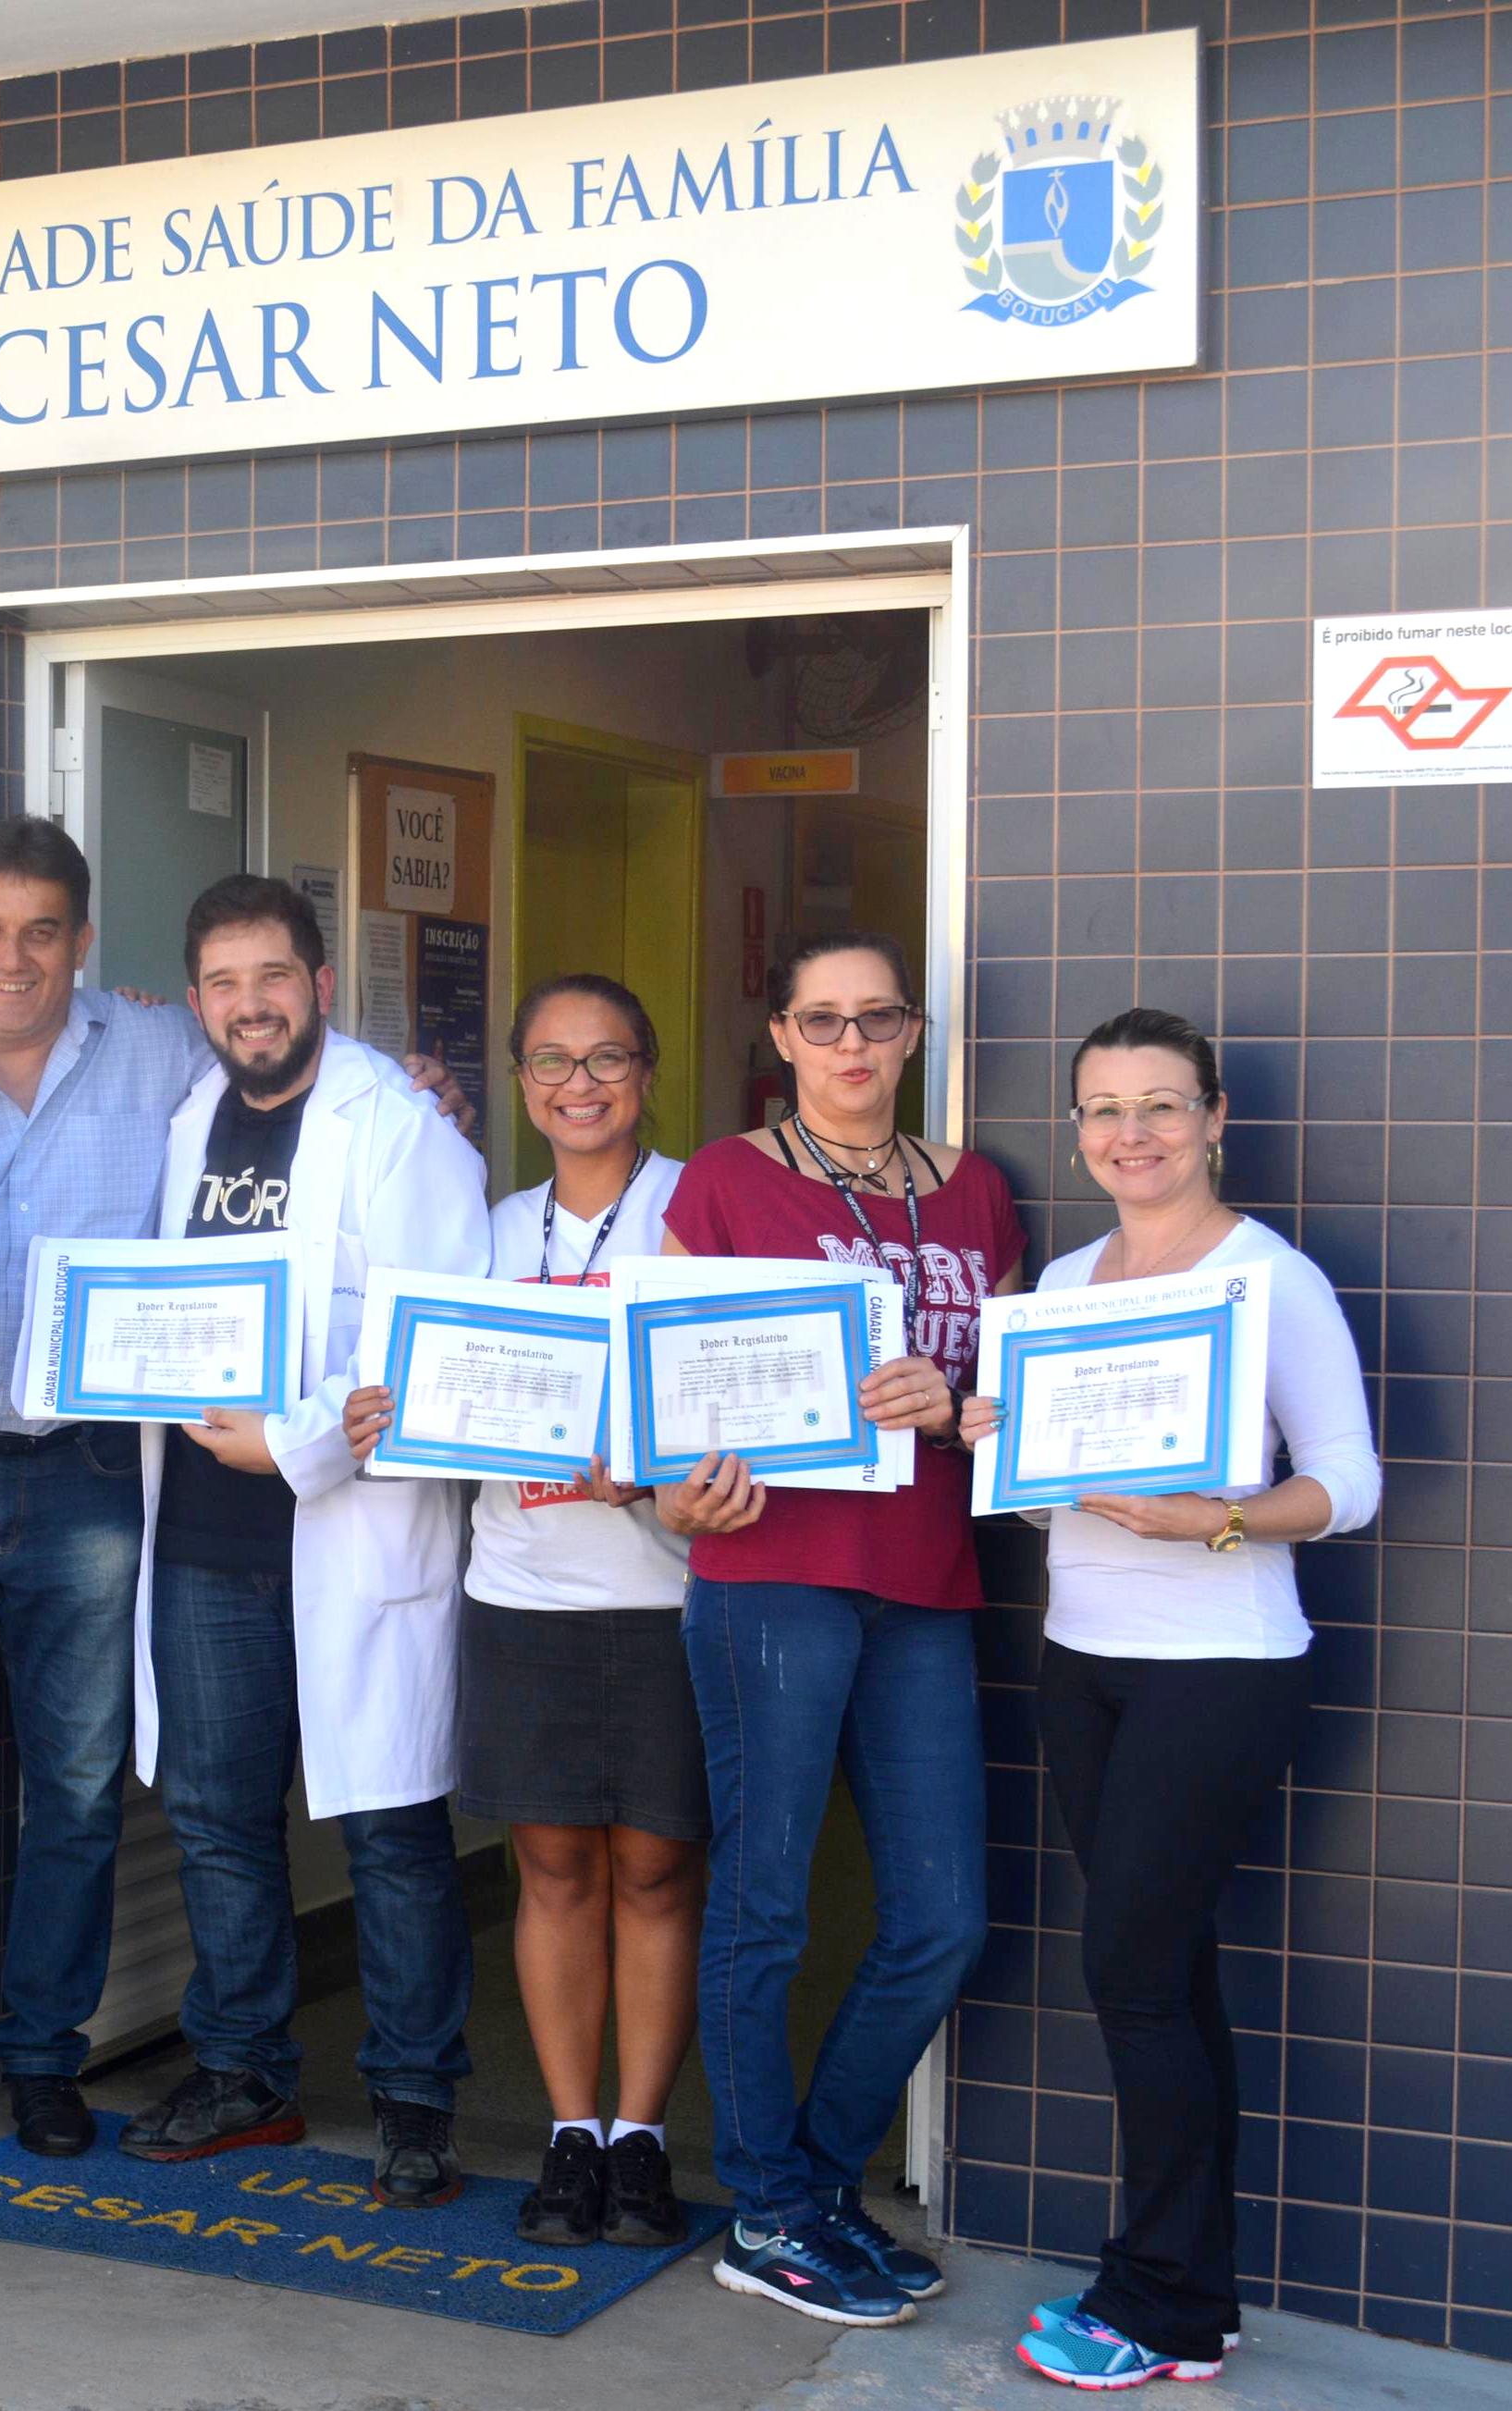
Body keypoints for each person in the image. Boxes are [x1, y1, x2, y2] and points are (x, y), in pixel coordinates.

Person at [0, 822, 469, 2178]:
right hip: (12, 1485)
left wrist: (422, 1087)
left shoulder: (306, 1101)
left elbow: (429, 1335)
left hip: (183, 1494)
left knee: (263, 1813)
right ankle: (18, 2075)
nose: (13, 956)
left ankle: (365, 2096)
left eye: (42, 930)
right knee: (118, 1812)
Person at [968, 1010, 1375, 2391]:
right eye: (1100, 1110)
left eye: (1158, 1106)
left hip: (1223, 1666)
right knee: (1170, 1977)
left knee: (1134, 1976)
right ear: (1076, 1130)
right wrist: (998, 1441)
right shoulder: (1064, 1283)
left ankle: (1154, 2304)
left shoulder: (1273, 1283)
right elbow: (1050, 1502)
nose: (1128, 1134)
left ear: (1214, 1120)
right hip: (1084, 1660)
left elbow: (1349, 1484)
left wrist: (1208, 1521)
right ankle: (1197, 2299)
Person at [658, 930, 1024, 2328]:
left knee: (940, 1916)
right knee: (768, 1901)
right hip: (772, 1571)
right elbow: (668, 1373)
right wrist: (677, 1486)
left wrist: (966, 1397)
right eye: (825, 1020)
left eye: (879, 1018)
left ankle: (810, 2182)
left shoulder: (979, 1190)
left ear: (914, 1033)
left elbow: (1011, 1380)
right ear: (785, 1038)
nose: (854, 1044)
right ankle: (766, 2208)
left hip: (925, 1572)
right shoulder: (728, 1180)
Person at [114, 878, 491, 2211]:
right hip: (208, 1539)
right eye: (220, 982)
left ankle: (414, 2098)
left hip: (348, 1526)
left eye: (271, 976)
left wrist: (299, 1441)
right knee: (218, 1817)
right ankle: (245, 2074)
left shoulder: (400, 1130)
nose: (249, 1004)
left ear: (320, 983)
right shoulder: (184, 1113)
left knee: (389, 1823)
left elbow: (432, 1334)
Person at [447, 976, 702, 2251]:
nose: (578, 1083)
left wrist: (654, 1463)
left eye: (606, 1057)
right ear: (521, 1081)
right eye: (551, 1061)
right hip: (525, 1588)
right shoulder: (489, 1231)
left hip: (664, 1593)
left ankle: (642, 2137)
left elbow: (738, 1398)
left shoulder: (696, 1216)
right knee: (549, 1867)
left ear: (645, 1073)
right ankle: (569, 2134)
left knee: (655, 1870)